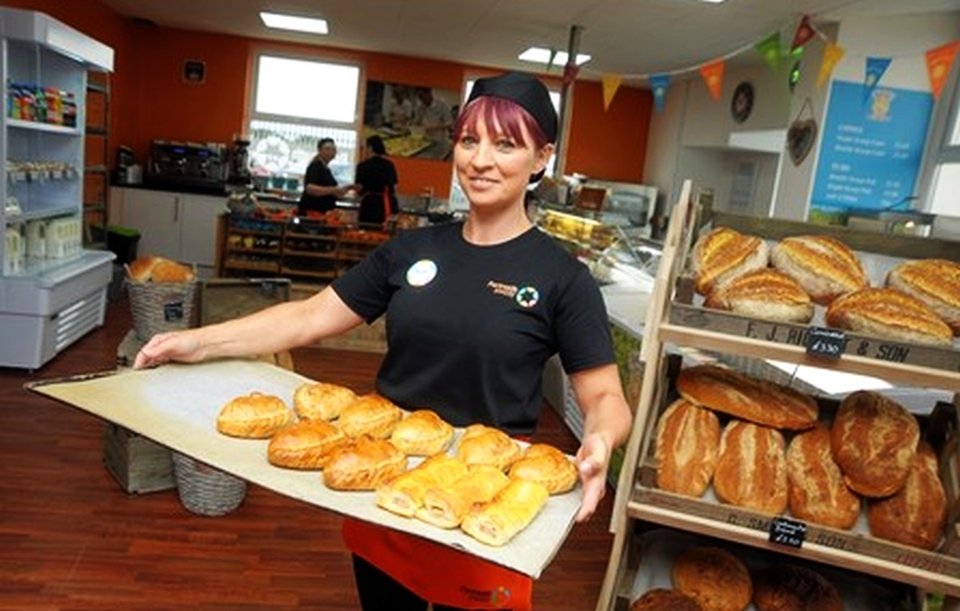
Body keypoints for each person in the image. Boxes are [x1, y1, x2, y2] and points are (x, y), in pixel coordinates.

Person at [134, 71, 633, 611]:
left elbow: (605, 397)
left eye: (506, 144)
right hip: (385, 483)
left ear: (541, 158)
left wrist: (601, 442)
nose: (481, 160)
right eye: (470, 140)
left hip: (481, 496)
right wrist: (197, 341)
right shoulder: (412, 250)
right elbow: (308, 316)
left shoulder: (563, 278)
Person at [298, 137, 354, 215]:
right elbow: (310, 188)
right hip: (313, 211)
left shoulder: (327, 169)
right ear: (319, 151)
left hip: (323, 212)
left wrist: (348, 188)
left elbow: (335, 192)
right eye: (327, 149)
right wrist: (332, 190)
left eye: (333, 149)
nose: (331, 152)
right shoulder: (316, 166)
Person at [355, 135, 399, 226]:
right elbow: (395, 188)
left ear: (370, 148)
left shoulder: (362, 166)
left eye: (365, 147)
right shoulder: (389, 165)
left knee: (366, 232)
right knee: (385, 233)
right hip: (386, 204)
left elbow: (359, 189)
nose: (364, 150)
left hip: (368, 204)